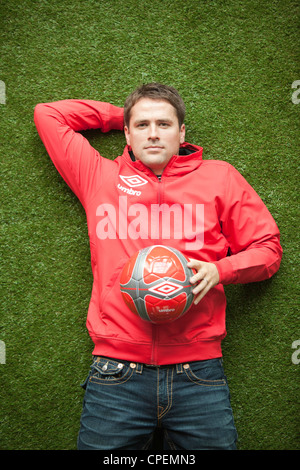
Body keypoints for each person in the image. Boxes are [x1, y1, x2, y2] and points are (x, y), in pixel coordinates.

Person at [34, 83, 282, 450]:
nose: (153, 133)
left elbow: (268, 249)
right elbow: (48, 114)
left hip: (198, 373)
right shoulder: (100, 177)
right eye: (142, 125)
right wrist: (125, 114)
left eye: (165, 124)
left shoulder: (220, 177)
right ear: (127, 133)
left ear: (182, 132)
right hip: (116, 373)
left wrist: (220, 270)